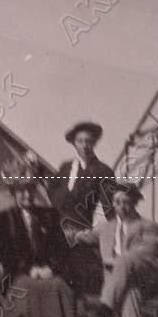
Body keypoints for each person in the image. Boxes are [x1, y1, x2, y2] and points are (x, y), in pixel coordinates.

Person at [0, 155, 76, 317]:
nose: (27, 195)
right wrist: (29, 269)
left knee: (59, 285)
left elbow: (61, 249)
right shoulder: (3, 219)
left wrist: (51, 268)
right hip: (18, 273)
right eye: (21, 191)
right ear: (14, 193)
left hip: (47, 272)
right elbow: (2, 253)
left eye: (30, 190)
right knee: (25, 285)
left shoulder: (50, 216)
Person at [77, 180, 158, 317]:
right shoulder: (105, 227)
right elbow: (82, 237)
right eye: (117, 202)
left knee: (124, 260)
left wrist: (119, 261)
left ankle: (104, 309)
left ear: (134, 203)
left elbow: (148, 252)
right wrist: (64, 232)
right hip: (122, 284)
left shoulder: (148, 225)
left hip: (145, 277)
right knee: (131, 291)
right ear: (113, 203)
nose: (122, 207)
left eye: (126, 202)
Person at [49, 121, 115, 294]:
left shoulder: (103, 171)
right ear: (74, 143)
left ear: (94, 143)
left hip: (81, 232)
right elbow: (51, 195)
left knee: (80, 276)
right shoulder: (64, 168)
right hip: (57, 231)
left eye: (88, 141)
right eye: (80, 141)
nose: (85, 145)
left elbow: (110, 210)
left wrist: (103, 234)